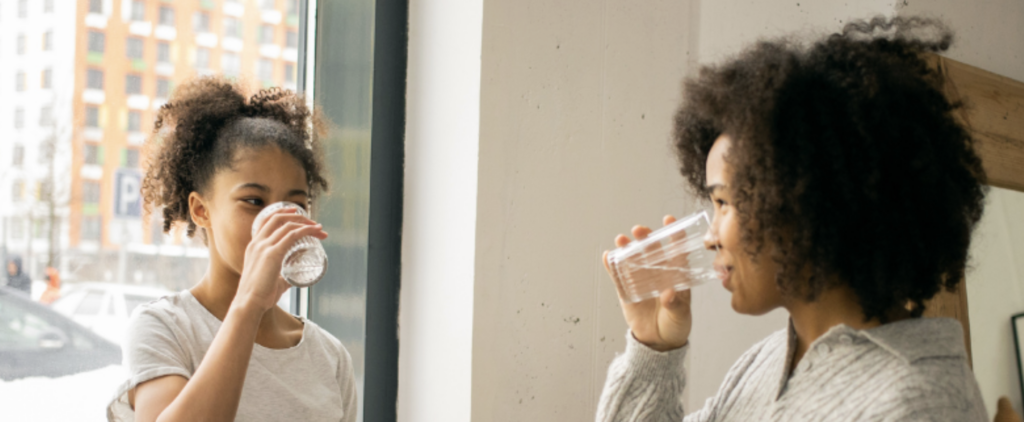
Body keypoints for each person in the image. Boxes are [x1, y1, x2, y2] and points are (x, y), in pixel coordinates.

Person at [597, 17, 990, 421]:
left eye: (724, 203)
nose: (710, 237)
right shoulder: (769, 362)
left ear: (805, 204)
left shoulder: (921, 404)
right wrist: (653, 346)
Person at [107, 77, 356, 422]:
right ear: (201, 210)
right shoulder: (165, 327)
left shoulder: (329, 356)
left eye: (296, 203)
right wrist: (249, 304)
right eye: (254, 201)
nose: (279, 220)